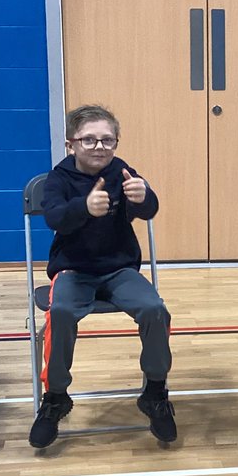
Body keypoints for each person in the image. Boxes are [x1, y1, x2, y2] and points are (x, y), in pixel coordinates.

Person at [29, 104, 175, 449]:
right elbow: (55, 218)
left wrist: (144, 198)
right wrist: (83, 207)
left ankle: (155, 392)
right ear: (71, 144)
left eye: (107, 140)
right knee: (60, 312)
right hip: (74, 271)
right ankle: (55, 397)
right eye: (89, 140)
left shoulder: (122, 171)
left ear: (116, 143)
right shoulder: (59, 178)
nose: (99, 147)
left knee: (155, 308)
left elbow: (148, 208)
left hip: (118, 270)